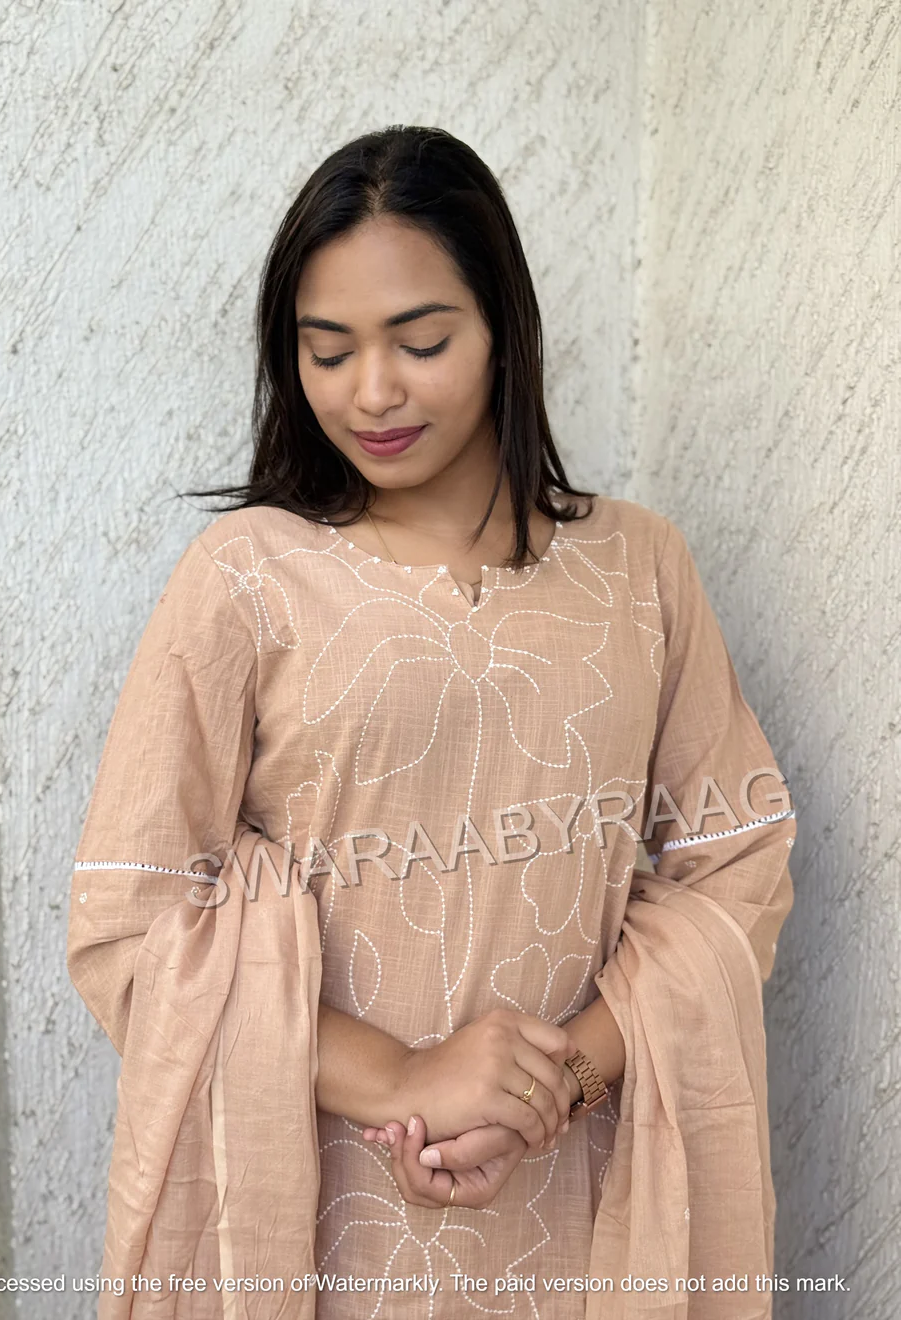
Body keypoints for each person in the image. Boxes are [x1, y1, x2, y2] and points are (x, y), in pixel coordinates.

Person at [68, 126, 796, 1319]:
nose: (373, 392)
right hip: (319, 1222)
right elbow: (130, 921)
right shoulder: (246, 579)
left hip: (592, 1216)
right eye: (328, 350)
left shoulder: (640, 569)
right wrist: (404, 1076)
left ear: (503, 327)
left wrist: (561, 1078)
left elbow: (739, 858)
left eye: (422, 342)